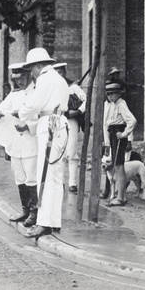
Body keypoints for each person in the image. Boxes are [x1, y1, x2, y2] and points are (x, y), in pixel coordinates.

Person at [17, 48, 69, 238]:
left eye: (31, 68)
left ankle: (44, 222)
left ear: (38, 66)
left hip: (50, 127)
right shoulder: (59, 79)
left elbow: (34, 104)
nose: (31, 73)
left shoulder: (46, 79)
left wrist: (21, 111)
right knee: (55, 177)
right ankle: (54, 221)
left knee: (44, 177)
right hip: (60, 125)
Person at [0, 63, 39, 226]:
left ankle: (34, 213)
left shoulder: (37, 93)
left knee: (31, 178)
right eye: (16, 79)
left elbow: (43, 118)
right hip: (15, 144)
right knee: (19, 178)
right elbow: (1, 107)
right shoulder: (15, 95)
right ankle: (25, 210)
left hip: (30, 142)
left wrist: (28, 126)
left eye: (22, 78)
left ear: (29, 75)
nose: (19, 82)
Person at [53, 62, 87, 193]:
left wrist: (78, 111)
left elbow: (86, 99)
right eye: (56, 73)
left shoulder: (73, 87)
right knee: (58, 152)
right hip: (57, 120)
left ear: (65, 73)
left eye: (60, 72)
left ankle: (72, 183)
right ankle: (60, 182)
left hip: (71, 121)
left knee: (71, 152)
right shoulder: (53, 89)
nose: (59, 76)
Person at [103, 82, 136, 206]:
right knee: (117, 165)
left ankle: (121, 197)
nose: (110, 96)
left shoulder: (121, 104)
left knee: (119, 166)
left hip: (118, 134)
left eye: (113, 94)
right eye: (108, 94)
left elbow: (132, 121)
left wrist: (123, 134)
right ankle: (120, 195)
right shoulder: (112, 104)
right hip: (112, 134)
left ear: (119, 94)